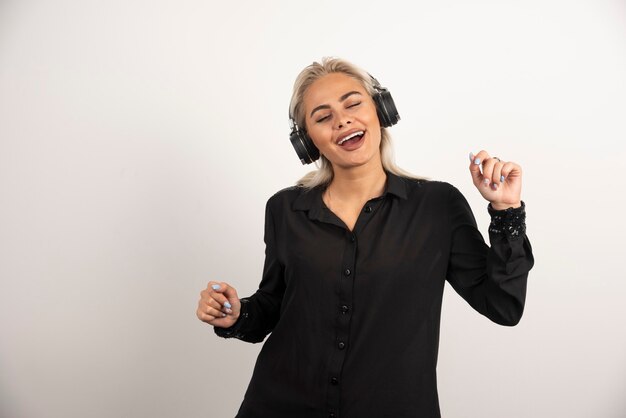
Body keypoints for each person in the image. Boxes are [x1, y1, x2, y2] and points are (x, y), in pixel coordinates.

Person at [196, 57, 534, 418]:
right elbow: (274, 305)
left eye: (353, 103)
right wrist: (236, 314)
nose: (342, 120)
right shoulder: (284, 210)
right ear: (307, 142)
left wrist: (506, 211)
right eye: (323, 117)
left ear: (381, 110)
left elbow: (503, 306)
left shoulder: (438, 206)